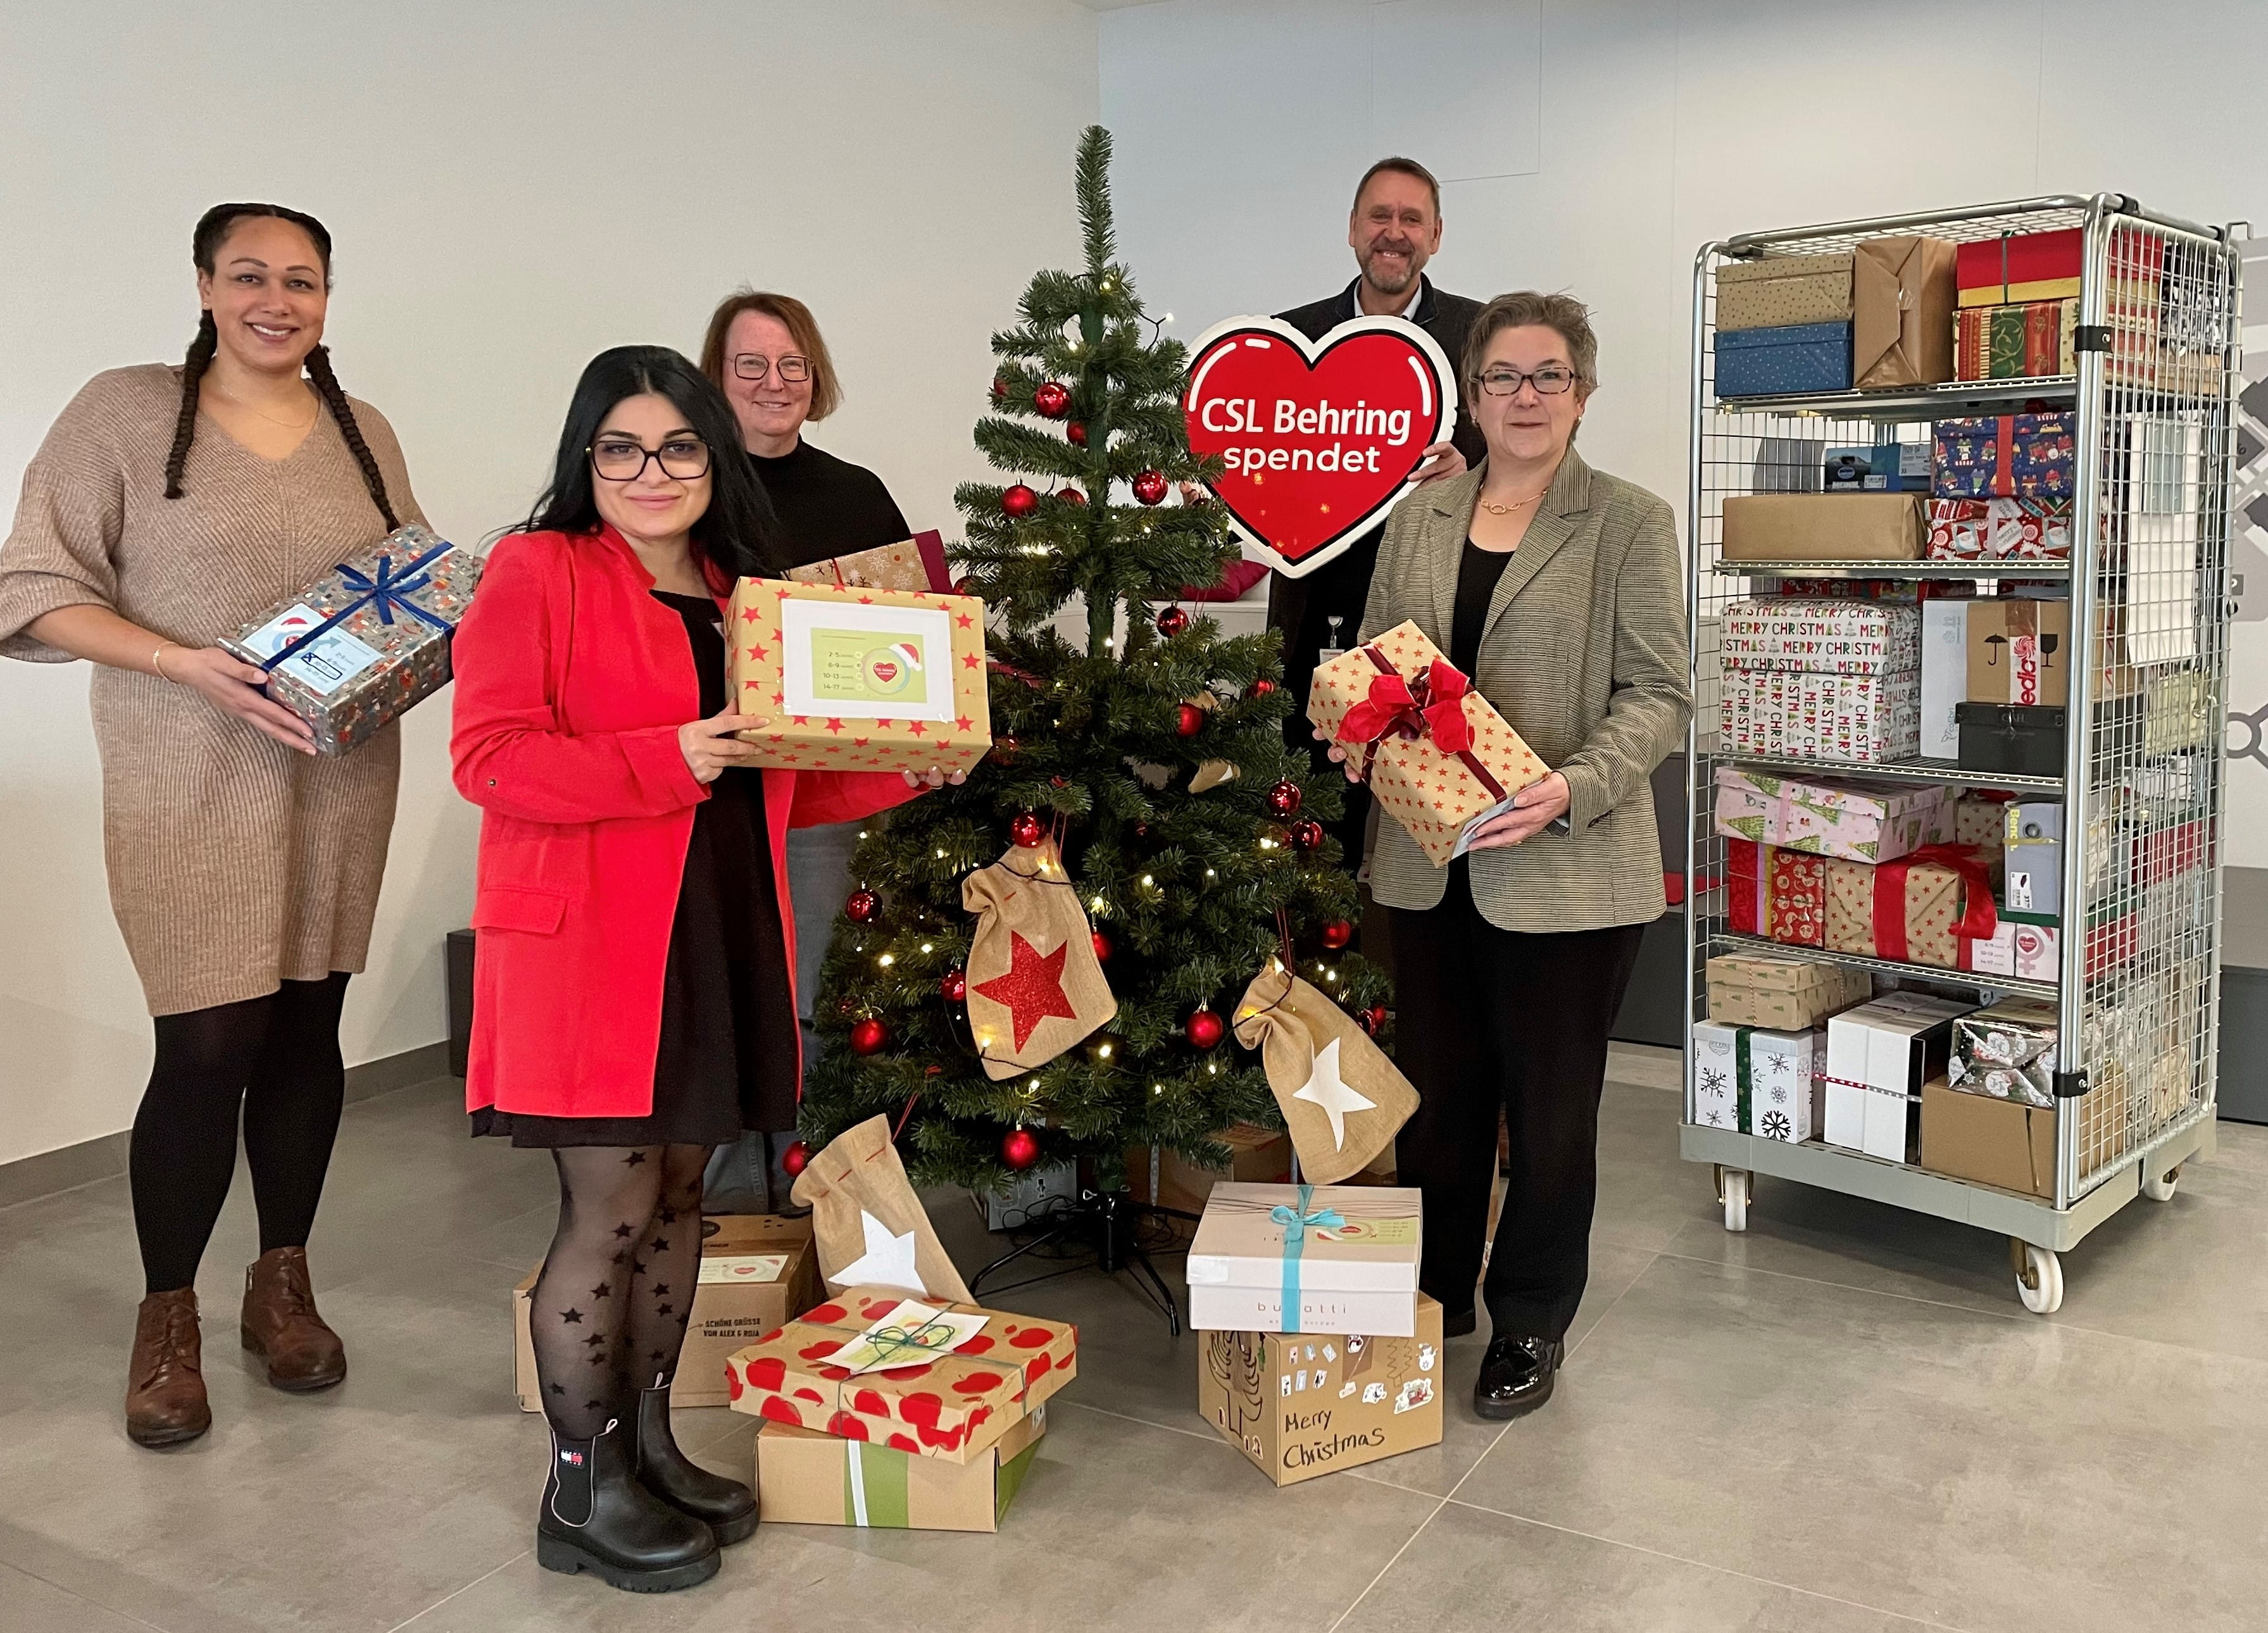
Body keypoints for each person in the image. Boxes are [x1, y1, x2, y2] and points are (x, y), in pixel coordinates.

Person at [451, 345, 958, 1593]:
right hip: (594, 945)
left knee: (685, 1204)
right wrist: (664, 754)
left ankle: (649, 1444)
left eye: (677, 447)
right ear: (586, 459)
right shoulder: (537, 569)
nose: (650, 471)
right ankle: (576, 1493)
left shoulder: (744, 589)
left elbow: (787, 763)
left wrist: (914, 762)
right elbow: (491, 757)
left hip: (723, 925)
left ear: (712, 458)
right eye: (619, 448)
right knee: (609, 1213)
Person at [0, 203, 424, 1449]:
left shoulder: (365, 430)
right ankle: (167, 1316)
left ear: (329, 298)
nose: (276, 300)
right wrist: (182, 664)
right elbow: (30, 586)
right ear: (202, 286)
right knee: (205, 1047)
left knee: (308, 1029)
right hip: (185, 777)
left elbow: (411, 585)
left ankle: (280, 1281)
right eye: (249, 276)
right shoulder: (122, 413)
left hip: (340, 775)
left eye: (302, 280)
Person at [1325, 292, 1689, 1418]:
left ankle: (1528, 1315)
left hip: (1569, 873)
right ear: (1471, 393)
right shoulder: (1419, 515)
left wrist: (1568, 787)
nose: (1522, 398)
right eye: (1501, 378)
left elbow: (1659, 695)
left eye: (1546, 377)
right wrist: (1356, 734)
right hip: (1426, 864)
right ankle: (1436, 1294)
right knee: (1438, 1101)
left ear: (1580, 393)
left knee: (1548, 1113)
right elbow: (1386, 669)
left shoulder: (1627, 520)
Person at [697, 291, 915, 1211]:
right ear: (714, 378)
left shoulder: (854, 493)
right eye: (750, 365)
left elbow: (913, 639)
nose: (774, 383)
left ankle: (811, 1180)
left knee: (820, 987)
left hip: (829, 794)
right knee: (724, 987)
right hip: (708, 784)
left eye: (792, 365)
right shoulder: (682, 489)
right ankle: (727, 1177)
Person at [1272, 156, 1487, 868]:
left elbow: (1531, 449)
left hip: (1441, 625)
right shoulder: (1286, 339)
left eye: (1411, 219)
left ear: (1436, 235)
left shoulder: (1484, 335)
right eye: (1379, 217)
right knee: (1311, 828)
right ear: (1353, 229)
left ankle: (1410, 973)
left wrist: (1471, 463)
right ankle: (1305, 974)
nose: (1393, 234)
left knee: (1433, 832)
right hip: (1314, 620)